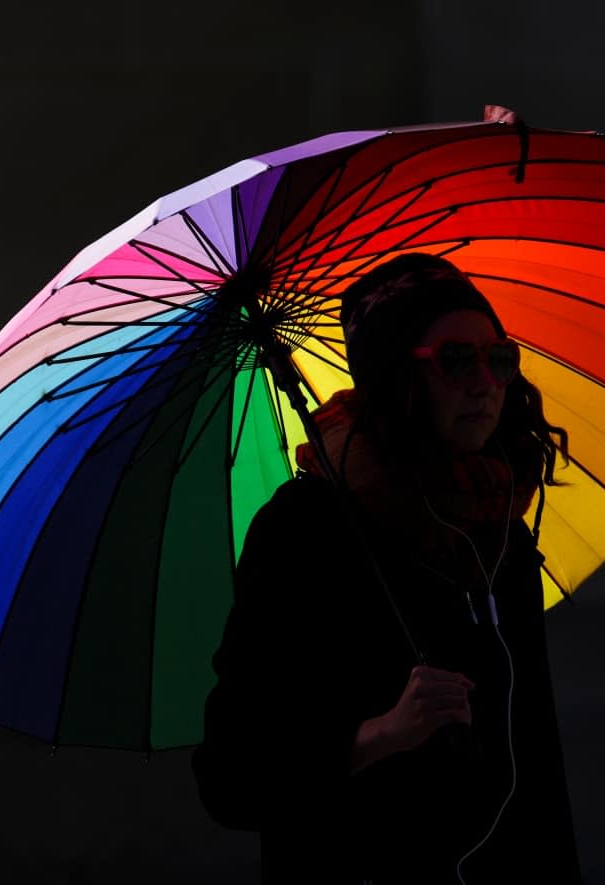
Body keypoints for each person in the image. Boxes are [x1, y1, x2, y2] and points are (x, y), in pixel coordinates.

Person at [191, 252, 583, 883]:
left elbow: (537, 768)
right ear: (395, 376)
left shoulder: (502, 529)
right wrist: (378, 735)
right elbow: (231, 777)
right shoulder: (306, 529)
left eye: (498, 357)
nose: (485, 382)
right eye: (455, 359)